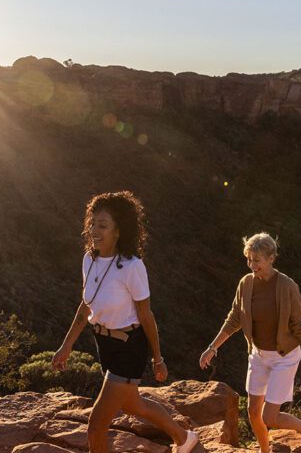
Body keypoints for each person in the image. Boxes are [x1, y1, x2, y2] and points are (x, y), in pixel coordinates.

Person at [52, 191, 198, 453]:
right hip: (105, 344)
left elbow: (146, 315)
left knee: (96, 427)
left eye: (103, 225)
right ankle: (184, 438)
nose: (94, 230)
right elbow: (86, 306)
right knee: (133, 405)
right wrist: (66, 346)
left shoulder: (132, 267)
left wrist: (157, 358)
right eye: (92, 223)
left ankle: (182, 436)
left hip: (129, 346)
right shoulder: (90, 260)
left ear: (119, 231)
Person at [200, 233, 301, 453]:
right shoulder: (245, 284)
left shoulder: (287, 286)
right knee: (253, 412)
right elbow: (234, 318)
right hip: (257, 355)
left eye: (257, 260)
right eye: (249, 259)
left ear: (271, 259)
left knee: (270, 417)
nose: (251, 265)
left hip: (284, 357)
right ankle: (265, 450)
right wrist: (213, 347)